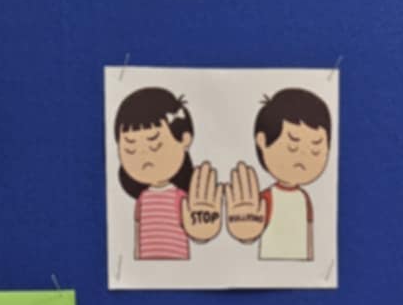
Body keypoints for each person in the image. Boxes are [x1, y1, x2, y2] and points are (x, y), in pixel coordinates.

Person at [114, 87, 224, 260]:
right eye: (130, 148)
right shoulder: (142, 199)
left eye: (154, 144)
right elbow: (137, 233)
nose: (143, 155)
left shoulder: (181, 197)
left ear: (185, 139)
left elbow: (196, 229)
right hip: (147, 265)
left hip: (178, 264)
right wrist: (136, 259)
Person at [225, 87, 333, 261]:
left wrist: (311, 259)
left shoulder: (305, 198)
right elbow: (252, 228)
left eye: (316, 148)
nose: (303, 156)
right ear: (262, 141)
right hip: (270, 263)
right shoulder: (267, 198)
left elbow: (309, 232)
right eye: (293, 145)